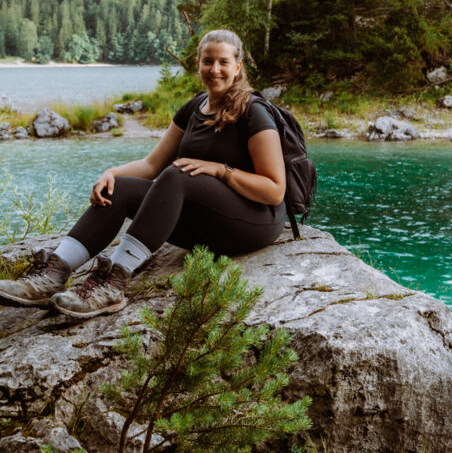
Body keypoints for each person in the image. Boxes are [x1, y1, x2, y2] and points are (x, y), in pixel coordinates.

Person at [0, 29, 286, 319]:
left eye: (223, 62)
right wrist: (111, 173)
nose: (215, 69)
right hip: (209, 223)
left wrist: (220, 170)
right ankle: (53, 273)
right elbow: (152, 165)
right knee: (121, 187)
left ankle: (113, 281)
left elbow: (275, 190)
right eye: (207, 61)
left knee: (178, 174)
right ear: (197, 63)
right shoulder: (193, 108)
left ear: (238, 66)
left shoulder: (254, 113)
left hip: (254, 222)